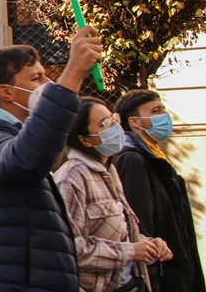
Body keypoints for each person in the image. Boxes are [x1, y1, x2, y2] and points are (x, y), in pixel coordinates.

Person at [0, 25, 102, 291]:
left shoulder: (8, 134)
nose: (47, 84)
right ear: (6, 92)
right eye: (36, 78)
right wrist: (73, 73)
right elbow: (24, 161)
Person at [56, 97, 169, 292]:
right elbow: (70, 249)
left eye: (112, 119)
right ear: (84, 140)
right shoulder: (71, 178)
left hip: (128, 284)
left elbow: (116, 233)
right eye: (103, 124)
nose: (114, 127)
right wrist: (131, 251)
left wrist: (148, 244)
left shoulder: (108, 170)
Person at [113, 89, 206, 292]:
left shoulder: (155, 158)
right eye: (156, 111)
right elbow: (140, 226)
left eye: (163, 109)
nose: (164, 116)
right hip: (162, 277)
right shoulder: (133, 160)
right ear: (135, 122)